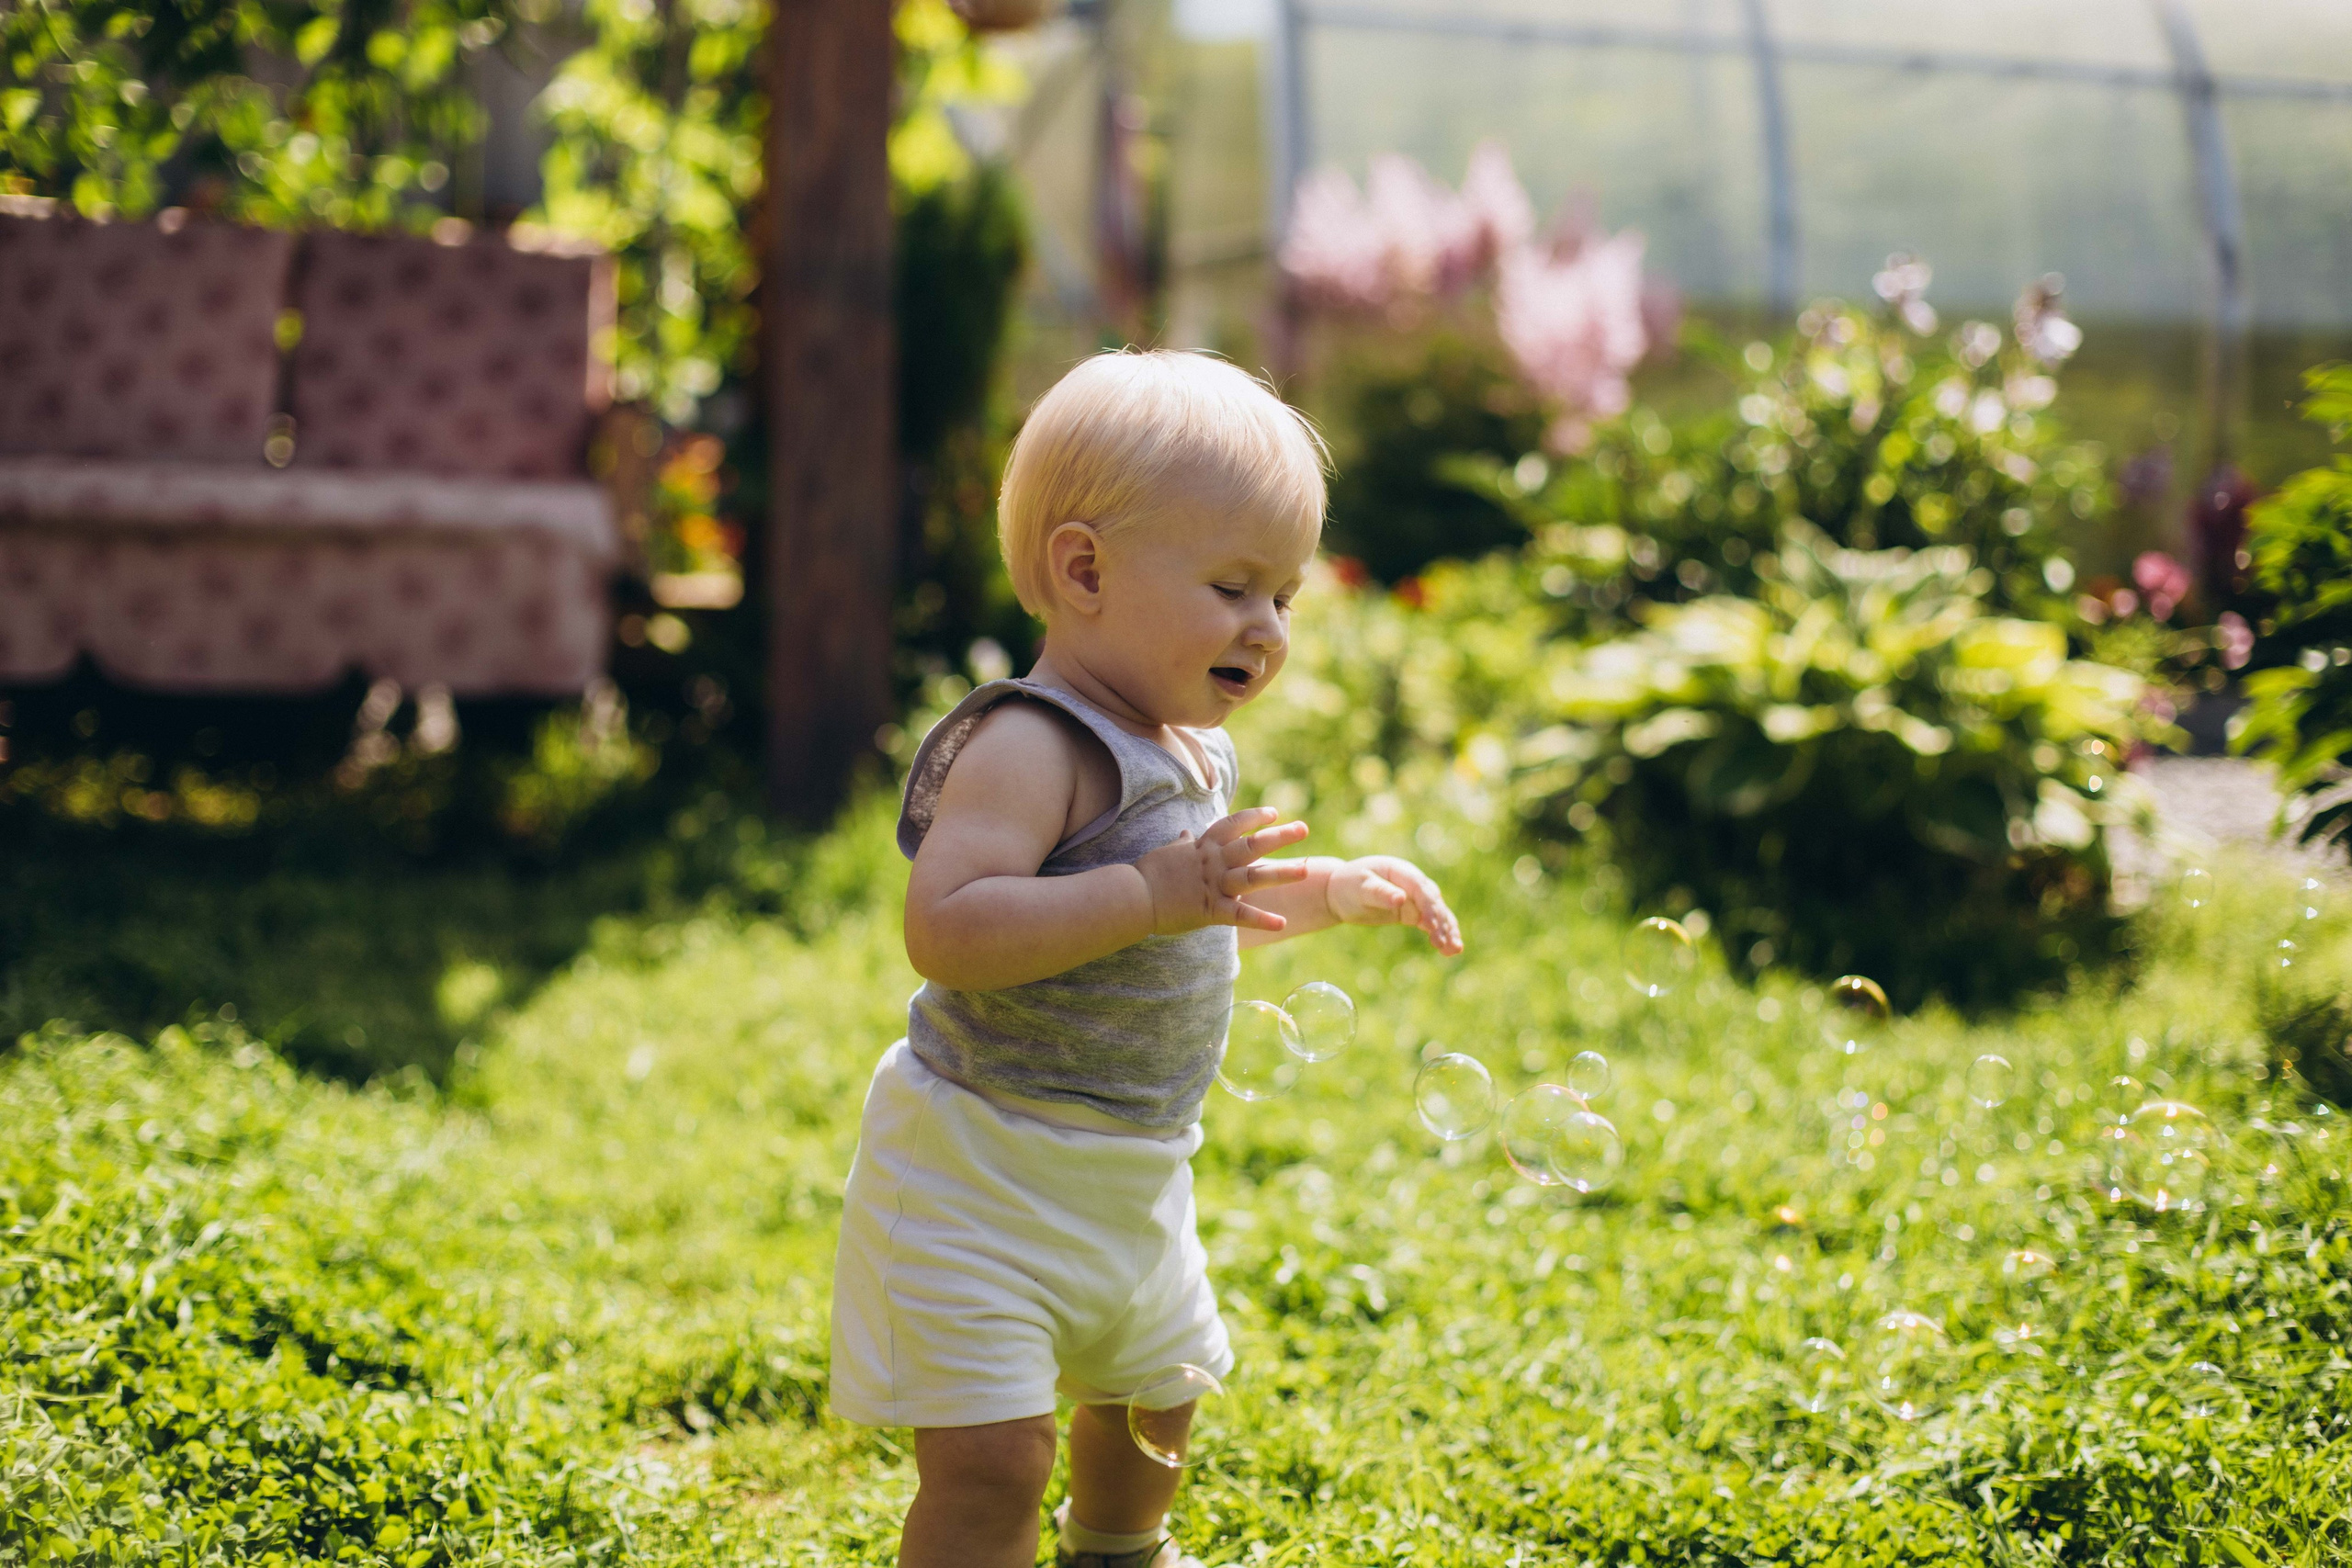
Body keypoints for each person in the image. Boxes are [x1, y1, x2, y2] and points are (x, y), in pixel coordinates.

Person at [830, 350, 1464, 1568]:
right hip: (982, 1176)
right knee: (994, 1460)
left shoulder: (1189, 748)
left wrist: (1333, 889)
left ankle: (1114, 1556)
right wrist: (1149, 893)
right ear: (1084, 571)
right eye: (1234, 586)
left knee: (1156, 1397)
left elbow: (1202, 893)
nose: (1266, 629)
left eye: (1284, 596)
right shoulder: (1029, 741)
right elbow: (947, 928)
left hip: (1131, 1176)